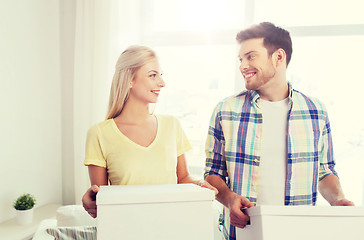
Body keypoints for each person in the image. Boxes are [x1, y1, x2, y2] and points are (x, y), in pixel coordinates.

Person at [204, 22, 354, 240]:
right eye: (241, 59)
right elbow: (212, 173)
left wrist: (338, 199)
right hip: (244, 233)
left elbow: (324, 171)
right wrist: (229, 199)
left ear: (279, 57)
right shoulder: (225, 111)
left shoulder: (315, 111)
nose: (243, 65)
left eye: (251, 56)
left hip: (298, 232)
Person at [82, 45, 217, 218]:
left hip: (170, 225)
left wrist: (200, 184)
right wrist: (91, 201)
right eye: (153, 75)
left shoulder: (172, 125)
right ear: (130, 79)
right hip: (125, 228)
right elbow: (101, 201)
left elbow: (182, 178)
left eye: (161, 75)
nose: (162, 82)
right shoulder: (99, 134)